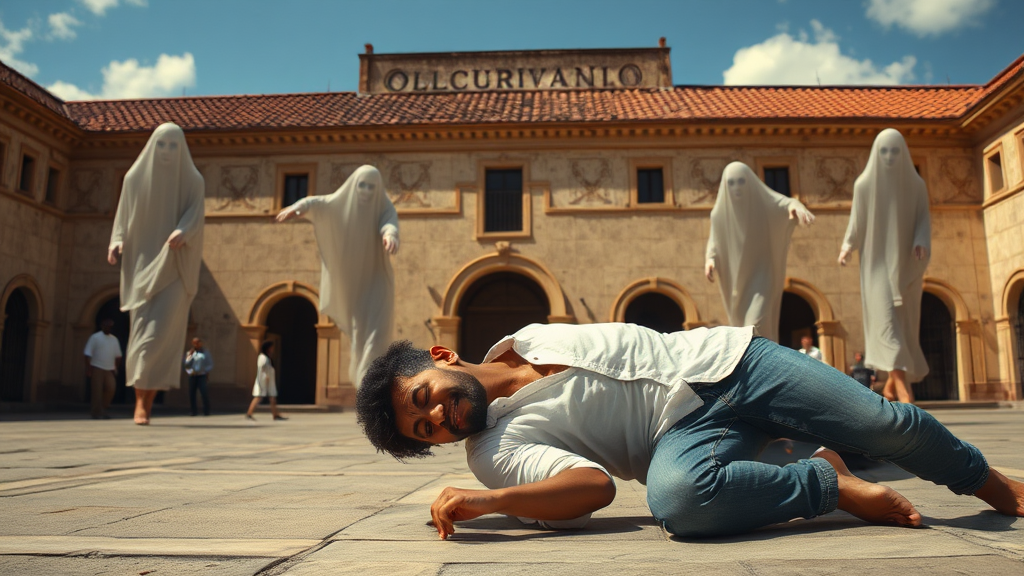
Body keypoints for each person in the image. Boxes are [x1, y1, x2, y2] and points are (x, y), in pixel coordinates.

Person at [356, 322, 1024, 540]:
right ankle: (829, 484)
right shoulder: (493, 452)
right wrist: (493, 502)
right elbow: (590, 488)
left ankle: (993, 484)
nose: (438, 418)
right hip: (685, 437)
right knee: (678, 502)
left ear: (441, 360)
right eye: (425, 430)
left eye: (426, 399)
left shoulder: (524, 336)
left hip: (728, 361)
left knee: (881, 422)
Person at [108, 122, 205, 425]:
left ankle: (146, 402)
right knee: (142, 337)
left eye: (173, 146)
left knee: (161, 335)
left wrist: (183, 231)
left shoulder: (193, 180)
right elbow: (123, 214)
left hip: (174, 265)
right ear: (152, 146)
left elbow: (196, 214)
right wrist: (116, 240)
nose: (166, 151)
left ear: (181, 150)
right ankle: (141, 402)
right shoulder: (134, 178)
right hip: (141, 266)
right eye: (161, 144)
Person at [276, 165, 398, 387]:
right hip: (354, 284)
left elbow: (389, 222)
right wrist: (297, 207)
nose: (366, 192)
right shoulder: (339, 203)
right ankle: (363, 381)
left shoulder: (384, 206)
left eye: (372, 187)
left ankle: (368, 382)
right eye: (362, 186)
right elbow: (318, 203)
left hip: (377, 278)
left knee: (376, 331)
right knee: (360, 334)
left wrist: (390, 235)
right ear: (353, 186)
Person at [839, 128, 930, 404]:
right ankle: (904, 392)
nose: (889, 156)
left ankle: (890, 386)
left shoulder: (916, 186)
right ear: (876, 154)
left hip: (904, 266)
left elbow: (923, 218)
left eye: (895, 151)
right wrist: (847, 245)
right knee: (887, 323)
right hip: (876, 268)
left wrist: (920, 239)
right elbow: (856, 219)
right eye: (884, 151)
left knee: (901, 326)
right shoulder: (864, 185)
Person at [705, 162, 814, 342]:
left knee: (754, 323)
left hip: (762, 273)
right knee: (743, 327)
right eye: (731, 183)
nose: (737, 187)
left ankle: (759, 364)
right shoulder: (718, 214)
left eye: (741, 181)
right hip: (737, 279)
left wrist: (795, 206)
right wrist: (710, 259)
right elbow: (714, 241)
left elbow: (783, 203)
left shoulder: (762, 205)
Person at [84, 318, 123, 419]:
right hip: (97, 367)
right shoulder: (95, 337)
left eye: (110, 326)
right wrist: (89, 369)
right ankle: (96, 413)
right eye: (106, 326)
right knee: (96, 391)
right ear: (102, 326)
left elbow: (118, 356)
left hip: (109, 368)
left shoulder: (114, 339)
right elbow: (87, 354)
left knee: (111, 388)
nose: (108, 328)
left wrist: (115, 368)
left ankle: (103, 408)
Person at [247, 341, 286, 422]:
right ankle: (249, 413)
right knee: (258, 396)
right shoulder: (262, 357)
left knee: (272, 397)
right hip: (264, 380)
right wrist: (266, 376)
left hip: (269, 381)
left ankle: (275, 414)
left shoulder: (267, 357)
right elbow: (263, 367)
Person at [184, 337, 214, 416]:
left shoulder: (205, 353)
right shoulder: (190, 353)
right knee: (192, 393)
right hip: (192, 375)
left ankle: (206, 410)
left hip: (202, 375)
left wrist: (205, 370)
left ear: (201, 343)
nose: (196, 344)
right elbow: (186, 364)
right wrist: (190, 356)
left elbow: (210, 364)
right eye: (195, 343)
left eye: (198, 342)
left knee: (204, 392)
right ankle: (193, 411)